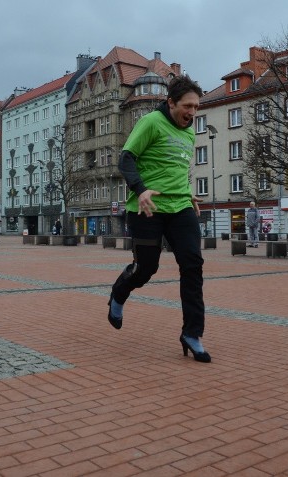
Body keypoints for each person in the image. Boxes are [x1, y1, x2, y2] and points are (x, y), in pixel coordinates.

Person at [108, 74, 211, 363]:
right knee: (146, 268)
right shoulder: (151, 122)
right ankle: (119, 292)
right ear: (171, 103)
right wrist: (140, 190)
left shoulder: (190, 131)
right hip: (147, 207)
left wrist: (188, 193)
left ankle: (192, 333)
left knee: (193, 265)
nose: (191, 113)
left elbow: (176, 168)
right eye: (187, 106)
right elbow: (126, 158)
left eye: (196, 107)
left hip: (180, 207)